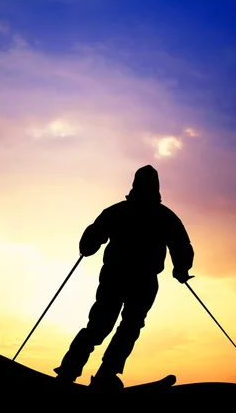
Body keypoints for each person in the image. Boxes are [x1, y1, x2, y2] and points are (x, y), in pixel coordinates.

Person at [54, 165, 194, 389]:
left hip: (118, 277)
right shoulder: (164, 216)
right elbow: (181, 247)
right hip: (139, 280)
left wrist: (88, 246)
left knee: (104, 325)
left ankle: (73, 370)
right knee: (126, 327)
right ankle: (103, 374)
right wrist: (181, 269)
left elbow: (92, 237)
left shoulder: (119, 211)